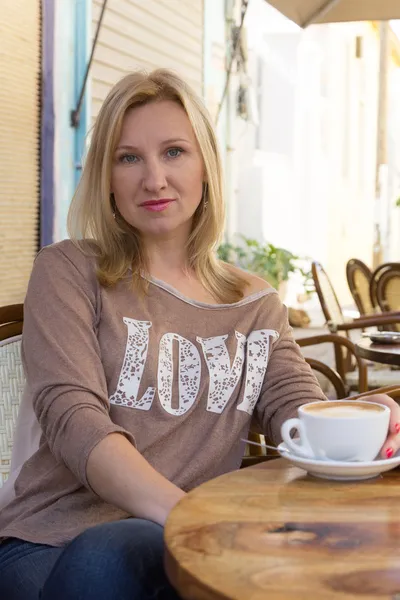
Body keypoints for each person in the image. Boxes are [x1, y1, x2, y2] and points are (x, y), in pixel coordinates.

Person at [0, 69, 398, 600]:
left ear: (207, 166)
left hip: (191, 546)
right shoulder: (70, 269)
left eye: (173, 152)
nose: (154, 179)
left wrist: (366, 418)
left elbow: (295, 411)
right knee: (109, 554)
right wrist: (188, 515)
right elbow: (73, 418)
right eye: (128, 157)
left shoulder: (255, 302)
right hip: (51, 543)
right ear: (106, 177)